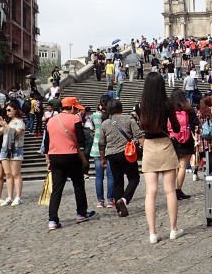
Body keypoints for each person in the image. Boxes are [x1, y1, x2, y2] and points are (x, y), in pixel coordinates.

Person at [139, 72, 184, 244]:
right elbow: (176, 128)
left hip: (149, 147)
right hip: (165, 145)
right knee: (170, 190)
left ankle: (153, 233)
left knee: (151, 192)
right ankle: (173, 229)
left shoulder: (142, 105)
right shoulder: (167, 103)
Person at [43, 96, 97, 230]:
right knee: (78, 184)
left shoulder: (50, 121)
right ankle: (81, 213)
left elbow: (46, 143)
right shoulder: (75, 119)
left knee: (57, 189)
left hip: (55, 157)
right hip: (71, 155)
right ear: (72, 108)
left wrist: (48, 160)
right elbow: (81, 140)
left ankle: (52, 219)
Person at [98, 100, 144, 217]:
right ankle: (124, 200)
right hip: (127, 153)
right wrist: (145, 149)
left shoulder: (105, 123)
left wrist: (102, 158)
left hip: (111, 155)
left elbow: (101, 143)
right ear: (120, 108)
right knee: (134, 178)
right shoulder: (128, 119)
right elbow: (139, 135)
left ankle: (119, 210)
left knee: (118, 181)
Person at [168, 89, 199, 200]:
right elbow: (196, 123)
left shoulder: (169, 109)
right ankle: (178, 189)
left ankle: (171, 189)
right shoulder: (188, 109)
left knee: (175, 166)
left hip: (172, 139)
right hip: (186, 139)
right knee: (182, 166)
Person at [0, 101, 26, 206]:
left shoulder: (20, 122)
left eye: (9, 110)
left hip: (16, 148)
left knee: (15, 174)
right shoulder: (7, 122)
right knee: (8, 174)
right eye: (6, 110)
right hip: (5, 149)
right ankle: (9, 196)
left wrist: (5, 125)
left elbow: (16, 134)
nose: (7, 112)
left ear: (15, 110)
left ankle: (18, 196)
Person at [90, 96, 115, 208]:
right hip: (109, 147)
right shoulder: (112, 117)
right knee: (111, 176)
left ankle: (100, 201)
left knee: (99, 177)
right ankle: (110, 200)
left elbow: (91, 129)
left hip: (96, 148)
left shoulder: (95, 116)